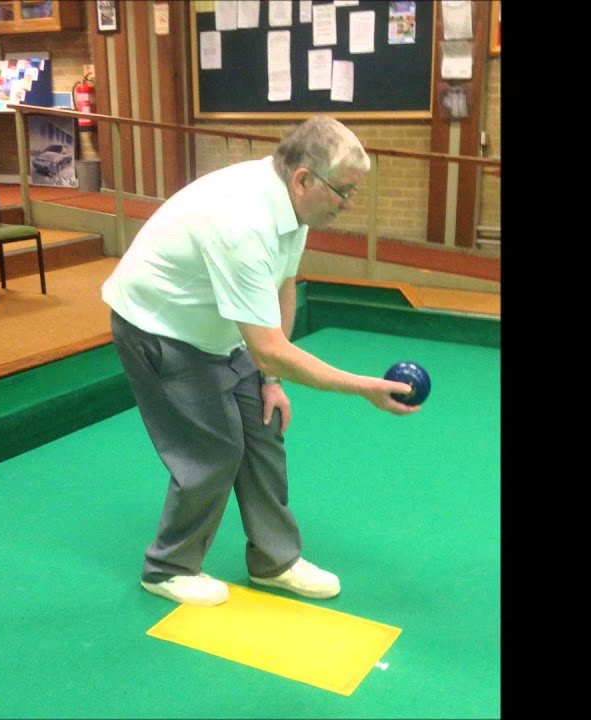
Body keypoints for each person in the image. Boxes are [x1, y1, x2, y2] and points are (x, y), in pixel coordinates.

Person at [101, 117, 420, 607]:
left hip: (219, 331)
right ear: (304, 179)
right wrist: (363, 387)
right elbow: (269, 347)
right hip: (159, 326)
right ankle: (168, 567)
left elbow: (282, 284)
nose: (349, 204)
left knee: (263, 430)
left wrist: (269, 380)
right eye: (345, 192)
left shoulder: (296, 208)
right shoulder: (243, 221)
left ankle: (276, 561)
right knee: (215, 447)